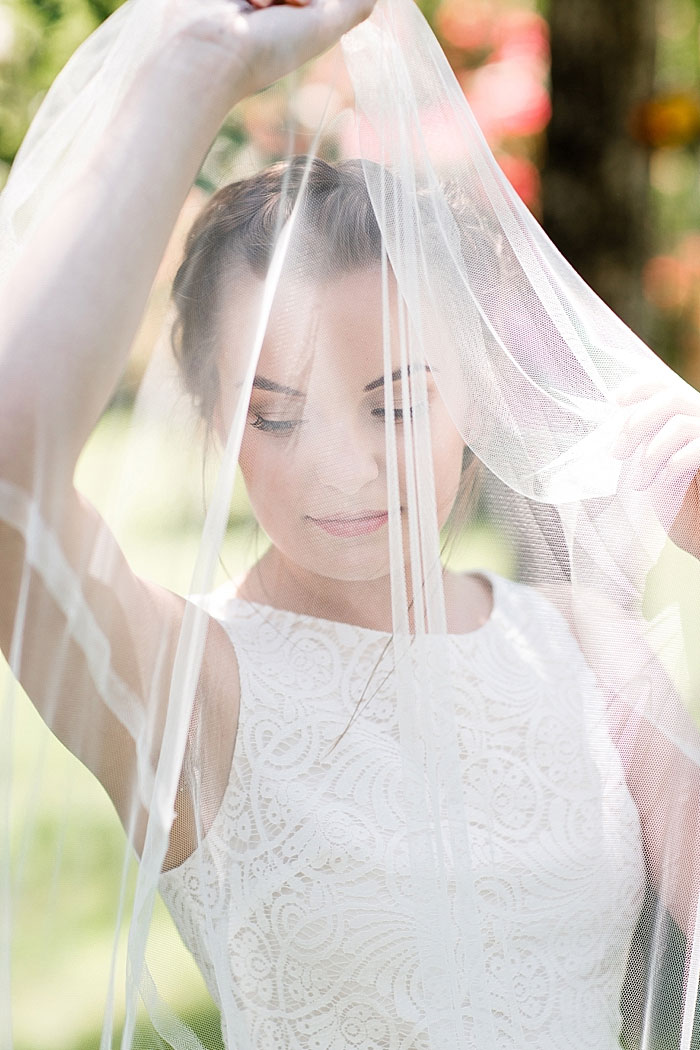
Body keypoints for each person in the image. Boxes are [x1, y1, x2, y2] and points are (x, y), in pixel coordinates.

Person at [3, 0, 700, 1047]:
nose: (341, 464)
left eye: (397, 401)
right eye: (274, 414)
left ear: (470, 390)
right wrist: (196, 72)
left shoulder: (584, 645)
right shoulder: (187, 683)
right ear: (211, 424)